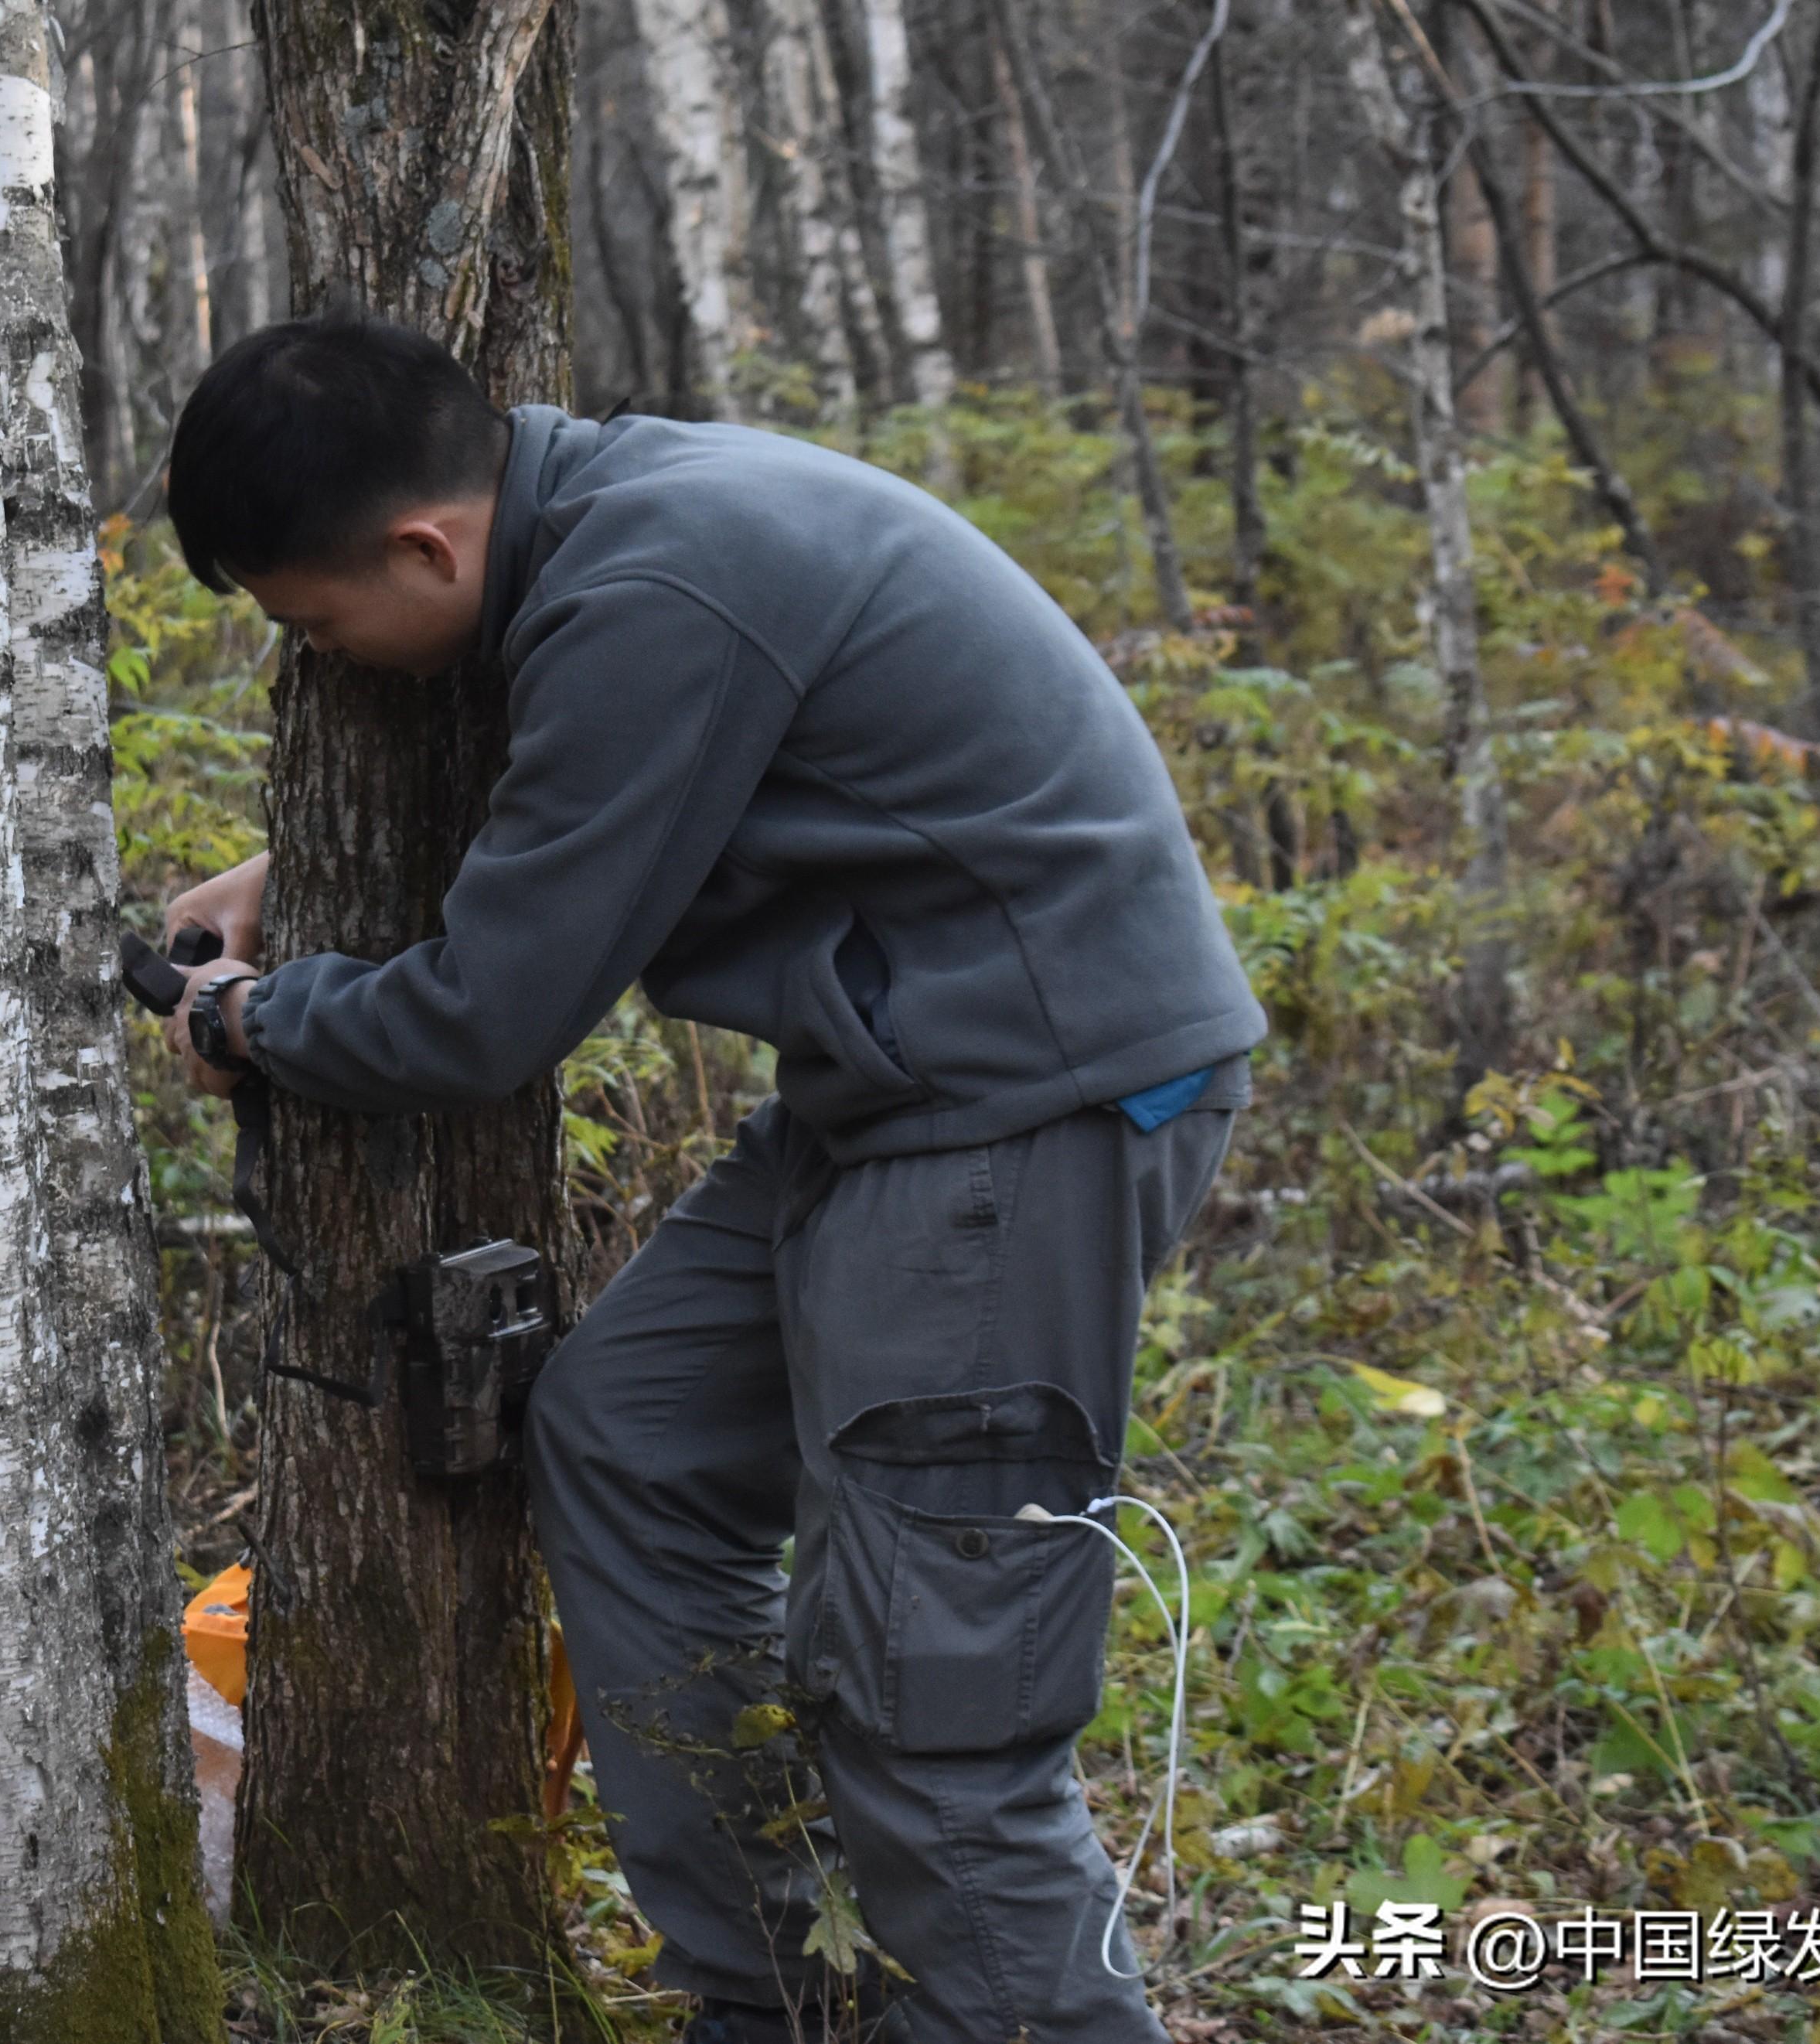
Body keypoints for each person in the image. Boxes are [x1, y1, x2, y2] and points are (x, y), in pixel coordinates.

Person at [155, 308, 1263, 2044]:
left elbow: (483, 1015)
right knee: (631, 1435)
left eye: (319, 625)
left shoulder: (655, 587)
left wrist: (256, 1020)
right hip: (897, 1088)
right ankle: (785, 2000)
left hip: (1029, 1109)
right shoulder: (613, 536)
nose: (332, 660)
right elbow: (604, 803)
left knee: (932, 1689)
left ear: (424, 543)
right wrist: (287, 869)